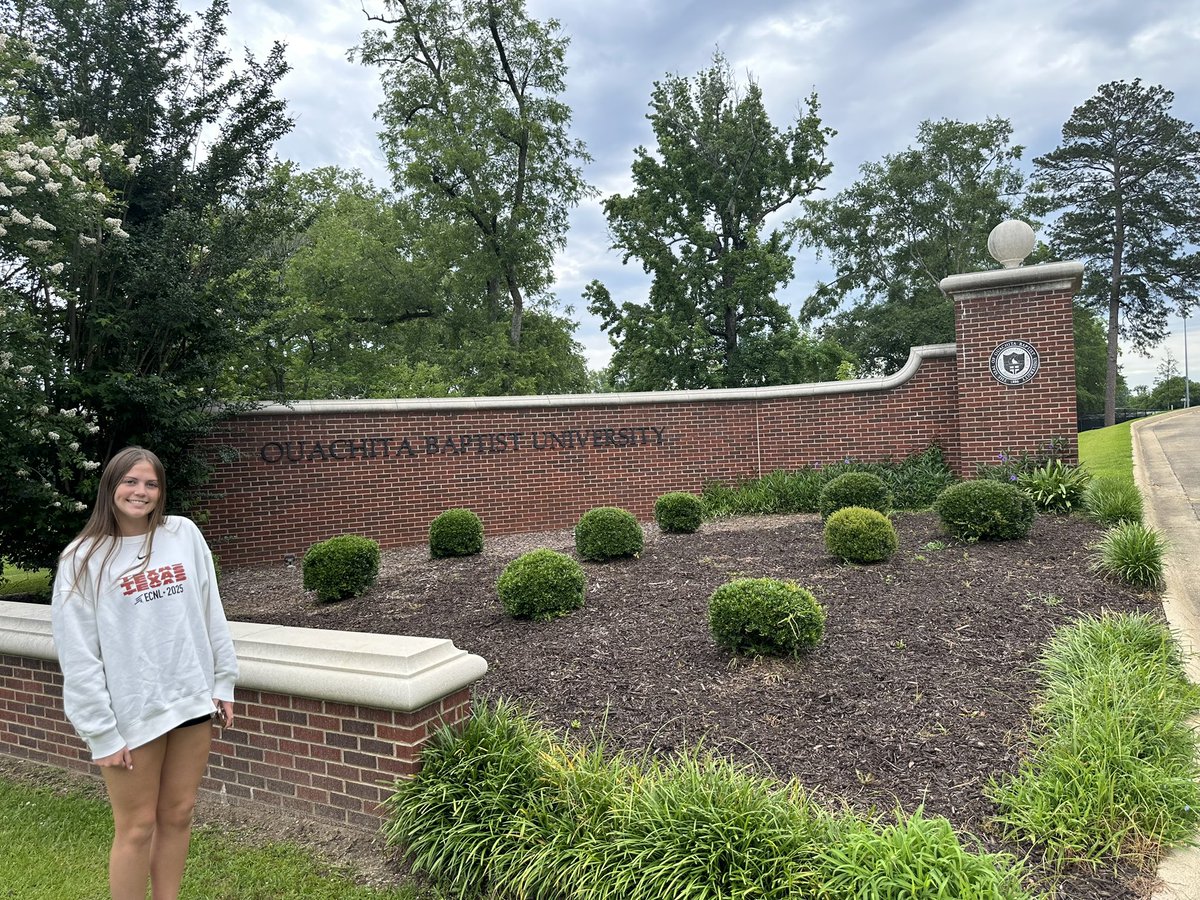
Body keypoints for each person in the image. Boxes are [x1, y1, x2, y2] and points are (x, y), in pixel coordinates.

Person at [51, 446, 237, 900]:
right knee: (136, 827)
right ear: (110, 487)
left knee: (179, 813)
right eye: (131, 481)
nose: (141, 491)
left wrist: (223, 680)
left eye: (151, 483)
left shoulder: (183, 534)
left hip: (192, 698)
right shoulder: (82, 558)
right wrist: (100, 731)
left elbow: (210, 608)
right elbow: (78, 654)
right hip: (133, 712)